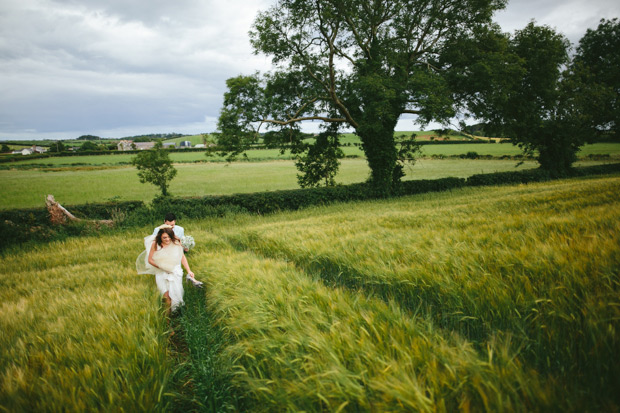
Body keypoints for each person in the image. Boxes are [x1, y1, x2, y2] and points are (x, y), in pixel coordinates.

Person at [137, 225, 194, 314]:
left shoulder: (176, 242)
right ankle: (167, 320)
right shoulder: (155, 244)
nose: (167, 239)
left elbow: (182, 257)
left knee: (176, 295)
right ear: (160, 237)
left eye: (169, 237)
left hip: (175, 272)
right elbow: (150, 260)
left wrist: (189, 270)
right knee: (166, 296)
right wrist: (162, 267)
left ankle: (175, 315)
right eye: (164, 237)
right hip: (161, 272)